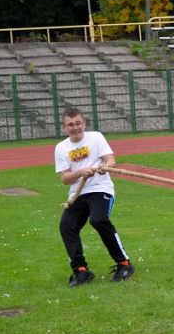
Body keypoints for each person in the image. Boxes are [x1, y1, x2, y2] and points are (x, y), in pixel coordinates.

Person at [54, 107, 135, 287]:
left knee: (98, 220)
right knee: (67, 226)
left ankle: (124, 264)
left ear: (84, 123)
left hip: (100, 189)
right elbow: (65, 179)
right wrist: (81, 172)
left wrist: (106, 165)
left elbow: (111, 159)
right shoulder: (61, 148)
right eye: (70, 125)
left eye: (78, 123)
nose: (75, 128)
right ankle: (81, 271)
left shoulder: (96, 137)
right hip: (78, 194)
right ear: (64, 127)